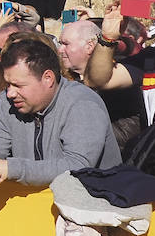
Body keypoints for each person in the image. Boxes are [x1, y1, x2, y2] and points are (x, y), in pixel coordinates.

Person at [0, 38, 120, 192]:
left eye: (18, 85)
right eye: (8, 84)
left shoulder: (83, 103)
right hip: (33, 202)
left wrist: (12, 169)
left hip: (93, 203)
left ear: (48, 78)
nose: (11, 93)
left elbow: (77, 166)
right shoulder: (5, 102)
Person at [57, 19, 145, 148]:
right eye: (60, 44)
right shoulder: (63, 80)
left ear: (90, 46)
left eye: (66, 44)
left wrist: (77, 134)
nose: (60, 50)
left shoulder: (117, 80)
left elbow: (128, 132)